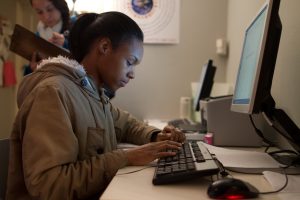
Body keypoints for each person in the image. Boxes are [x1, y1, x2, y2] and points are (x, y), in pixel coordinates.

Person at [6, 12, 185, 200]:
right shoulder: (53, 93)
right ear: (105, 47)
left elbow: (126, 124)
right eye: (130, 62)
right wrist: (127, 157)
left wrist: (156, 136)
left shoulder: (93, 93)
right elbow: (50, 185)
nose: (132, 74)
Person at [24, 0, 74, 75]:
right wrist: (33, 69)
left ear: (60, 5)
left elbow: (86, 65)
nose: (46, 17)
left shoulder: (76, 27)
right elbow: (28, 74)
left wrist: (65, 44)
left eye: (50, 9)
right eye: (40, 12)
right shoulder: (37, 35)